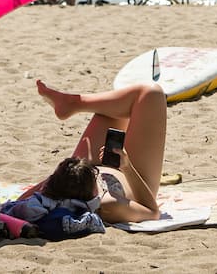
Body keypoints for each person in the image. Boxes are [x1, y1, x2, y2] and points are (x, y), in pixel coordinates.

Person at [34, 80, 166, 222]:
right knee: (151, 94)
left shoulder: (57, 188)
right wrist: (127, 167)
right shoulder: (109, 204)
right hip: (136, 179)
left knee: (112, 110)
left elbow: (14, 206)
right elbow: (153, 212)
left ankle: (72, 103)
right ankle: (73, 103)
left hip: (93, 166)